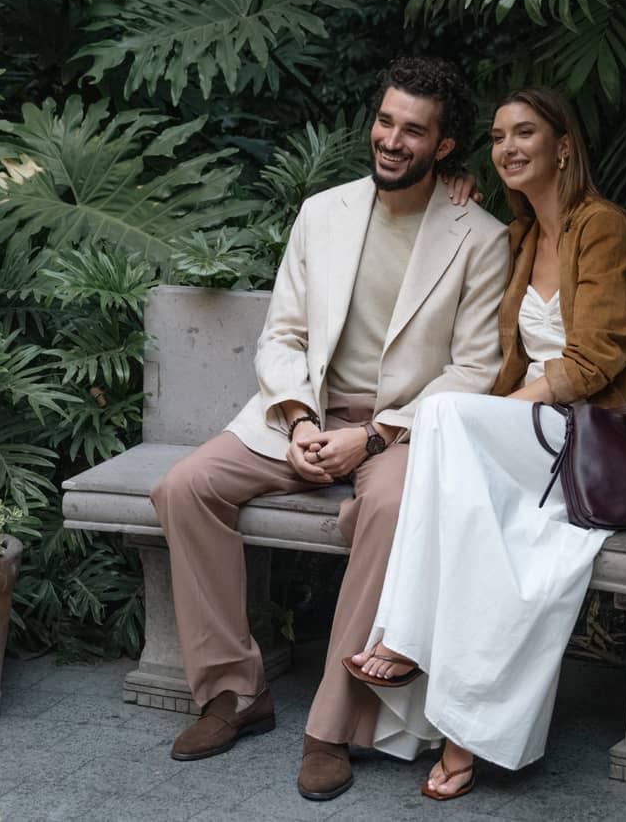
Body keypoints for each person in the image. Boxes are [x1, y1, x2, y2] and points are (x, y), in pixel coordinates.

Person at [148, 56, 510, 802]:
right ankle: (234, 692)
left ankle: (333, 725)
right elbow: (281, 334)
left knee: (388, 508)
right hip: (301, 417)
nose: (392, 139)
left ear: (444, 146)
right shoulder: (324, 212)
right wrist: (304, 419)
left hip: (406, 432)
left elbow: (473, 368)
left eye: (414, 130)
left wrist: (373, 436)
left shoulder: (479, 236)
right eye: (385, 121)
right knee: (184, 488)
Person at [343, 87, 626, 800]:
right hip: (538, 434)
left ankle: (404, 635)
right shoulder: (521, 238)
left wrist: (496, 411)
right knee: (483, 538)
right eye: (496, 137)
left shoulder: (605, 228)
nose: (508, 146)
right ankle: (463, 735)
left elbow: (595, 360)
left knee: (446, 416)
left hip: (600, 433)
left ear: (563, 146)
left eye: (525, 132)